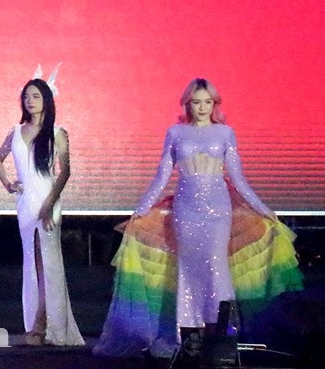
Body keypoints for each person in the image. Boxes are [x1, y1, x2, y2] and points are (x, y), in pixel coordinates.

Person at [94, 78, 303, 357]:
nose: (202, 107)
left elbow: (238, 178)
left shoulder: (225, 133)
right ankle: (189, 337)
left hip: (218, 211)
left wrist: (263, 209)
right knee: (188, 270)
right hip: (186, 210)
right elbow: (162, 175)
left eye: (207, 102)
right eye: (196, 102)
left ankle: (222, 334)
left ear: (214, 104)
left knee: (216, 267)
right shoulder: (175, 132)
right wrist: (141, 209)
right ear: (187, 104)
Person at [0, 79, 84, 346]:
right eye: (26, 97)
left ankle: (44, 326)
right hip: (25, 204)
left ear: (46, 100)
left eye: (35, 96)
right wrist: (9, 184)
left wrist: (49, 204)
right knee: (32, 263)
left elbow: (65, 172)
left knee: (48, 265)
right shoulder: (16, 131)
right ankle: (37, 323)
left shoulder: (57, 132)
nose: (30, 101)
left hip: (48, 200)